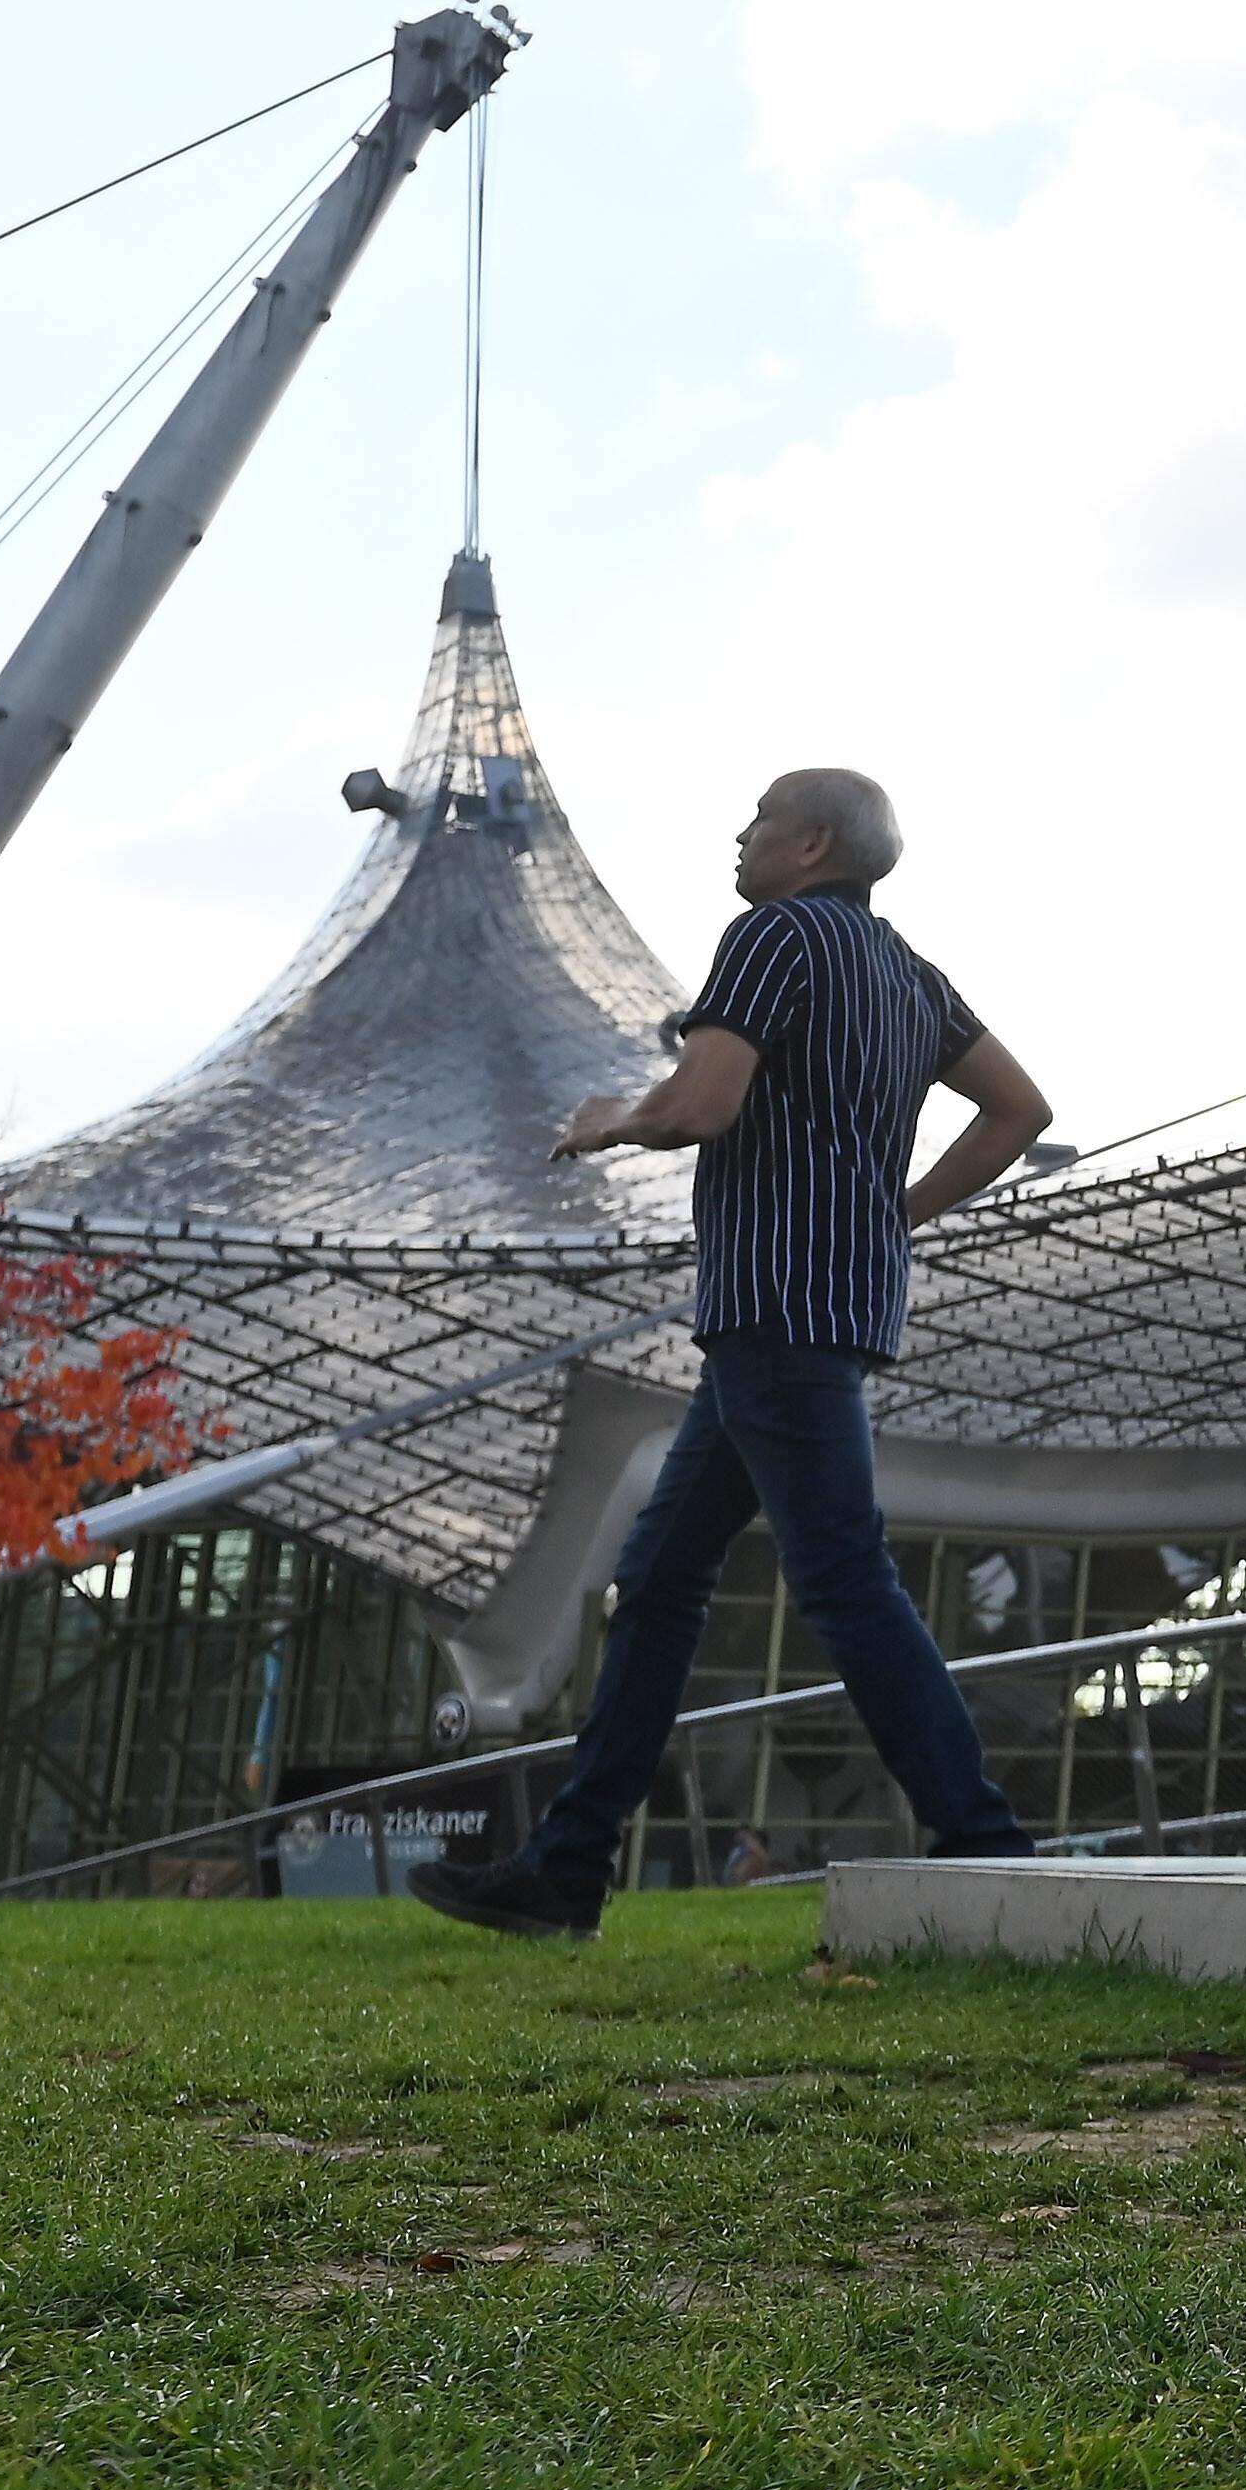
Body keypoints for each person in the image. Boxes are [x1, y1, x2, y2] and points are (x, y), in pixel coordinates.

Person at [410, 766, 1058, 1941]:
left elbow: (705, 1103)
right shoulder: (910, 975)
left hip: (774, 1309)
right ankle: (569, 1864)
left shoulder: (771, 936)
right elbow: (1020, 1108)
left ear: (810, 843)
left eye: (759, 817)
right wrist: (894, 1210)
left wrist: (616, 1116)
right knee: (659, 1579)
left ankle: (990, 1849)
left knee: (847, 1584)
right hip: (824, 1306)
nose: (741, 833)